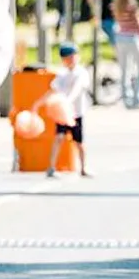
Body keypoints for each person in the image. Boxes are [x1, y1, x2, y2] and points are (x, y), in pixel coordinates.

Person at [100, 0, 139, 110]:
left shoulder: (116, 4)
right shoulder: (128, 1)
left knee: (126, 68)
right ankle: (135, 98)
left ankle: (127, 98)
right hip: (128, 34)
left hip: (120, 33)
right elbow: (137, 22)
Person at [46, 42, 92, 178]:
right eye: (66, 58)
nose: (70, 60)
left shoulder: (81, 73)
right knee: (59, 138)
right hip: (62, 113)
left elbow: (78, 88)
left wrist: (69, 100)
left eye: (72, 57)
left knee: (79, 142)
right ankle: (51, 167)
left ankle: (84, 167)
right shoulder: (61, 74)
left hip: (76, 112)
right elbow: (52, 90)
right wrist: (38, 104)